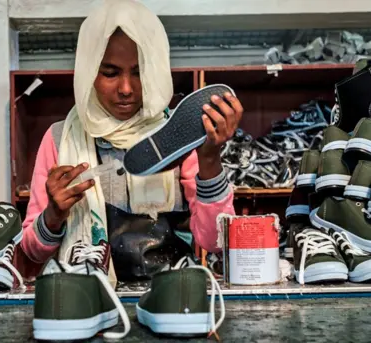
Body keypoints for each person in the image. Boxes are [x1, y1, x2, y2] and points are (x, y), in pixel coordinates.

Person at [19, 0, 242, 285]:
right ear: (88, 72)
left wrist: (210, 159)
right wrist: (53, 215)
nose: (126, 89)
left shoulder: (177, 134)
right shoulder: (59, 139)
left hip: (170, 296)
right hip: (88, 298)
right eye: (110, 73)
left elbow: (216, 242)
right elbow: (32, 250)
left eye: (139, 72)